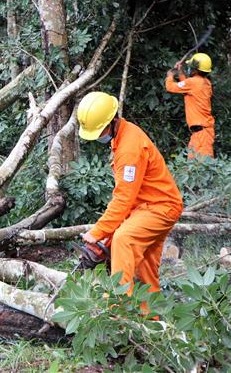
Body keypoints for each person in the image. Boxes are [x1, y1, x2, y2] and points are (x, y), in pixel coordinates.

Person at [77, 92, 183, 308]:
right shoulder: (123, 135)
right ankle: (150, 320)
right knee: (144, 268)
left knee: (123, 239)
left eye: (101, 131)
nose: (100, 136)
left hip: (159, 208)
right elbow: (130, 198)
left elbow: (123, 199)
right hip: (149, 207)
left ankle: (119, 310)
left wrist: (97, 233)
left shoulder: (129, 149)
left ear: (113, 120)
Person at [165, 52, 215, 159]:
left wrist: (170, 76)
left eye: (191, 67)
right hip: (200, 133)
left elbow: (170, 87)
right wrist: (180, 72)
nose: (189, 69)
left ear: (195, 70)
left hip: (202, 134)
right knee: (192, 168)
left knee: (202, 169)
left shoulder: (193, 83)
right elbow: (188, 86)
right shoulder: (205, 83)